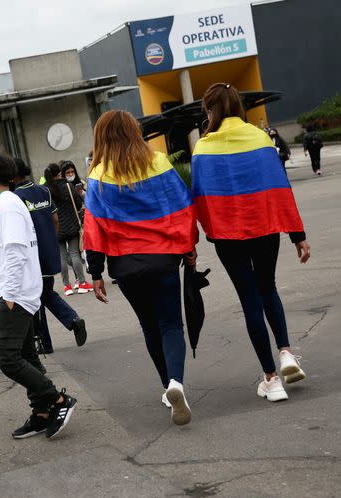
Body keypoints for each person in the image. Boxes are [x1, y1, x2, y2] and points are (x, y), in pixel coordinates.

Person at [191, 82, 310, 402]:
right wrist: (297, 235)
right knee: (267, 287)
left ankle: (271, 379)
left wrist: (197, 238)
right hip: (265, 228)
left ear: (211, 111)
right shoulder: (259, 138)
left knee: (249, 299)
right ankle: (285, 351)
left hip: (228, 235)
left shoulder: (203, 147)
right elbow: (279, 186)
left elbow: (198, 197)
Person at [84, 110, 198, 425]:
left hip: (125, 265)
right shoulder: (158, 162)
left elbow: (93, 229)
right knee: (171, 325)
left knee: (149, 327)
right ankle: (176, 382)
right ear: (135, 131)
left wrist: (95, 273)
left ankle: (166, 386)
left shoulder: (98, 176)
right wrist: (189, 247)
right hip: (163, 259)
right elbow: (182, 207)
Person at [0, 148, 77, 440]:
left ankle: (58, 400)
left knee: (6, 357)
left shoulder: (8, 205)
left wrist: (9, 293)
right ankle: (42, 413)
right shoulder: (5, 203)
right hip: (10, 294)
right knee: (28, 357)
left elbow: (17, 251)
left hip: (13, 296)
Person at [11, 158, 87, 354]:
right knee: (45, 293)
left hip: (32, 255)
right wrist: (51, 240)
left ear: (12, 175)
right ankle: (69, 323)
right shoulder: (42, 190)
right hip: (48, 250)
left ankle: (50, 338)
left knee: (38, 296)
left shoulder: (16, 197)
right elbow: (55, 219)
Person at [46, 163, 93, 296]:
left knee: (62, 257)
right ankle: (82, 283)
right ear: (59, 173)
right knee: (74, 254)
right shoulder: (68, 185)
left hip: (56, 228)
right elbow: (78, 203)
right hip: (72, 225)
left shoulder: (47, 189)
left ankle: (67, 286)